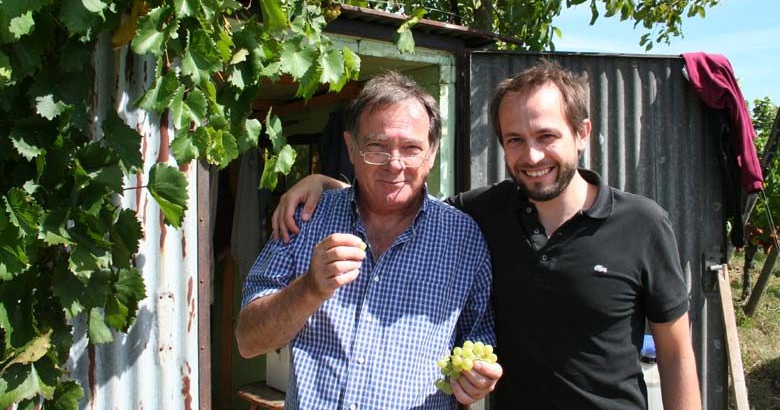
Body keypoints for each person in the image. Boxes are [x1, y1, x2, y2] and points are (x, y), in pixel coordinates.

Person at [270, 60, 702, 409]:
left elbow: (677, 353)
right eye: (515, 140)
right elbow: (402, 195)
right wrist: (329, 185)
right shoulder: (485, 214)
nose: (531, 155)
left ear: (582, 134)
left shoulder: (642, 223)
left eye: (547, 136)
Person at [236, 71, 502, 410]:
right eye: (376, 147)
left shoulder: (463, 239)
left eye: (411, 148)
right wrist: (309, 289)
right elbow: (248, 340)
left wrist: (477, 378)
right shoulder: (305, 218)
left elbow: (478, 340)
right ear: (350, 147)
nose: (394, 164)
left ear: (432, 153)